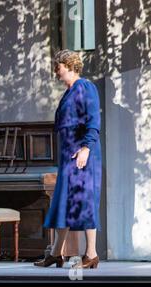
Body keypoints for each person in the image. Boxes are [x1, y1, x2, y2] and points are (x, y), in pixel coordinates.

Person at [34, 50, 102, 269]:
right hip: (68, 155)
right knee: (63, 202)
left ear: (69, 65)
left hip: (81, 154)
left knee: (85, 200)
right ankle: (55, 253)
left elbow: (93, 120)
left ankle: (91, 254)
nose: (56, 70)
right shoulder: (69, 92)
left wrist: (86, 148)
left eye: (58, 66)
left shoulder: (85, 87)